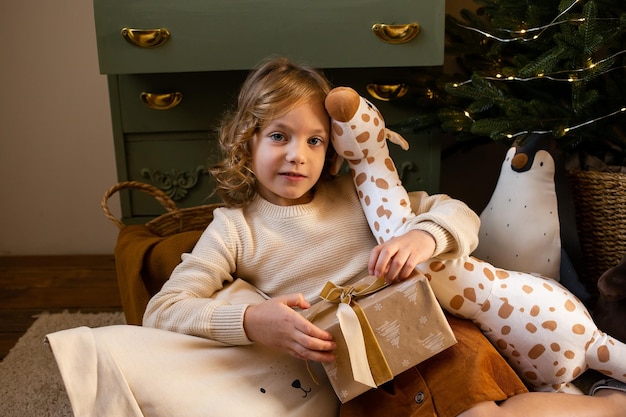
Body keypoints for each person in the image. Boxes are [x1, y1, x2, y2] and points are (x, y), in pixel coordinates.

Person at [141, 56, 626, 417]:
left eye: (314, 140)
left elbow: (456, 212)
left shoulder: (356, 192)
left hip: (434, 334)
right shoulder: (234, 228)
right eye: (278, 136)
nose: (297, 155)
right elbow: (162, 309)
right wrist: (251, 321)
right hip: (359, 371)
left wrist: (425, 238)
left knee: (482, 414)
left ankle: (610, 403)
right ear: (245, 139)